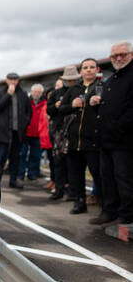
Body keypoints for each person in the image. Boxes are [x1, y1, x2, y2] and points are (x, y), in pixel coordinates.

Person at [89, 41, 133, 225]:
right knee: (106, 177)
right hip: (105, 140)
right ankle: (109, 211)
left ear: (131, 55)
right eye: (115, 56)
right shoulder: (112, 79)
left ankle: (127, 215)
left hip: (124, 140)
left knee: (124, 179)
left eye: (123, 54)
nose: (119, 58)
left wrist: (116, 128)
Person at [58, 59, 103, 215]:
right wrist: (72, 105)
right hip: (73, 140)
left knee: (98, 174)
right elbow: (61, 110)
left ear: (97, 69)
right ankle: (80, 202)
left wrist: (99, 104)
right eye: (85, 67)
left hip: (93, 141)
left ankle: (105, 205)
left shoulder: (102, 87)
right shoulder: (73, 89)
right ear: (81, 71)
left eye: (92, 67)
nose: (89, 70)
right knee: (75, 175)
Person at [0, 72, 32, 188]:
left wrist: (25, 123)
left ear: (18, 80)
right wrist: (8, 94)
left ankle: (13, 180)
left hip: (17, 132)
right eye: (11, 79)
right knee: (0, 158)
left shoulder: (22, 93)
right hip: (3, 132)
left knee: (16, 157)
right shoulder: (0, 92)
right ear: (6, 80)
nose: (13, 81)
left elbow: (28, 111)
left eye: (15, 79)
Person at [47, 74, 74, 200]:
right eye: (67, 78)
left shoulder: (77, 90)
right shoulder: (56, 93)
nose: (69, 80)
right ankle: (59, 189)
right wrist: (56, 106)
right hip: (59, 132)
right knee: (58, 161)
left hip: (72, 131)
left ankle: (71, 191)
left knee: (72, 162)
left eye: (72, 78)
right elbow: (49, 110)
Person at [18, 84, 46, 181]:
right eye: (35, 91)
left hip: (38, 133)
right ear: (31, 91)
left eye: (39, 92)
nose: (36, 93)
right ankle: (20, 174)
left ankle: (32, 174)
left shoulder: (44, 103)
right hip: (26, 132)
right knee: (23, 154)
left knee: (36, 155)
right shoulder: (26, 101)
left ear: (41, 93)